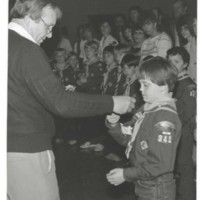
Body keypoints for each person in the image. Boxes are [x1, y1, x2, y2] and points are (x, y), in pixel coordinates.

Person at [8, 1, 136, 199]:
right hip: (27, 151)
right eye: (48, 26)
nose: (50, 34)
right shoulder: (28, 50)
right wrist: (112, 102)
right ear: (29, 17)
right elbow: (61, 102)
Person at [106, 57, 181, 200]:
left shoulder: (165, 118)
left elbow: (160, 165)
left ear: (163, 86)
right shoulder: (147, 109)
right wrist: (114, 124)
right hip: (144, 183)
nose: (140, 89)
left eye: (145, 85)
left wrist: (125, 174)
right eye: (140, 84)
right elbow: (130, 137)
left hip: (157, 188)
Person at [167, 47, 196, 200]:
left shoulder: (188, 85)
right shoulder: (173, 83)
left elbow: (189, 115)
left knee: (184, 169)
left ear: (185, 64)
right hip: (172, 132)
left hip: (183, 133)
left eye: (176, 62)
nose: (172, 65)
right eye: (169, 61)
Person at [177, 14, 197, 82]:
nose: (183, 31)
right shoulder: (185, 47)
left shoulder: (195, 44)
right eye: (181, 29)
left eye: (186, 28)